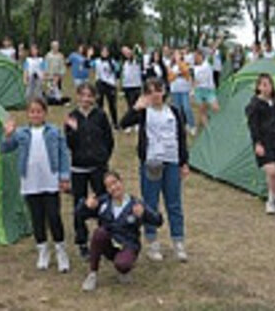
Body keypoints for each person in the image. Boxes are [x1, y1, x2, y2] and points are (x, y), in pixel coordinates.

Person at [119, 79, 189, 262]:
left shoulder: (174, 111)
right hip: (151, 162)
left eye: (158, 90)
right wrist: (136, 108)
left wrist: (184, 162)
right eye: (151, 92)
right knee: (150, 203)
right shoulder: (144, 112)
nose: (155, 95)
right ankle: (152, 243)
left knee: (174, 203)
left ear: (164, 91)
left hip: (172, 161)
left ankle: (178, 242)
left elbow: (181, 137)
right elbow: (123, 123)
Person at [2, 97, 72, 272]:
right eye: (32, 112)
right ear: (27, 114)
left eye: (39, 111)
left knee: (53, 216)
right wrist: (8, 134)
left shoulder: (54, 132)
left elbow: (63, 155)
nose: (35, 115)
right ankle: (43, 250)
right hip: (30, 181)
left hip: (50, 180)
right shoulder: (21, 133)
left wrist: (64, 177)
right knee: (37, 217)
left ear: (45, 113)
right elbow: (5, 148)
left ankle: (61, 250)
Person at [78, 171, 163, 291]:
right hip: (108, 243)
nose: (114, 188)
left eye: (115, 183)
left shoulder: (135, 204)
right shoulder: (103, 202)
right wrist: (86, 206)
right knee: (99, 233)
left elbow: (158, 221)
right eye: (109, 186)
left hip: (128, 244)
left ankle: (124, 270)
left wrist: (144, 213)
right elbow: (80, 215)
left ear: (121, 182)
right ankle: (92, 274)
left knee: (123, 264)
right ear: (107, 189)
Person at [65, 82, 114, 259]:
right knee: (79, 205)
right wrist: (73, 132)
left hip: (98, 167)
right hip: (78, 168)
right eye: (82, 95)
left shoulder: (101, 115)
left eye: (89, 96)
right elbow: (69, 143)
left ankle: (103, 238)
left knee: (103, 202)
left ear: (94, 98)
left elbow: (109, 139)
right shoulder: (72, 116)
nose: (86, 99)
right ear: (78, 96)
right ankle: (82, 241)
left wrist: (103, 158)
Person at [246, 73, 275, 215]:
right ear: (258, 87)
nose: (266, 88)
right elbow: (253, 127)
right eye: (263, 85)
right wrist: (257, 144)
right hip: (264, 142)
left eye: (269, 84)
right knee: (271, 171)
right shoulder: (254, 105)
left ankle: (272, 200)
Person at [191, 50, 220, 133]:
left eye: (197, 56)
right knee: (202, 110)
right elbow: (194, 81)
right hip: (199, 91)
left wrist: (219, 39)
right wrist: (192, 91)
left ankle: (215, 123)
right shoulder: (194, 68)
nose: (195, 58)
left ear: (201, 56)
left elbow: (213, 50)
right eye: (194, 57)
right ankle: (208, 130)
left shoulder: (207, 63)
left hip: (209, 90)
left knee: (216, 108)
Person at [92, 45, 120, 127]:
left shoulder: (112, 61)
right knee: (99, 104)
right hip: (100, 84)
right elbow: (87, 64)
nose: (104, 53)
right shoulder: (97, 61)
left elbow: (118, 71)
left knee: (112, 105)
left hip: (110, 84)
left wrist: (117, 80)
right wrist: (89, 56)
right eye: (103, 51)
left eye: (106, 52)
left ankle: (115, 122)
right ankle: (100, 122)